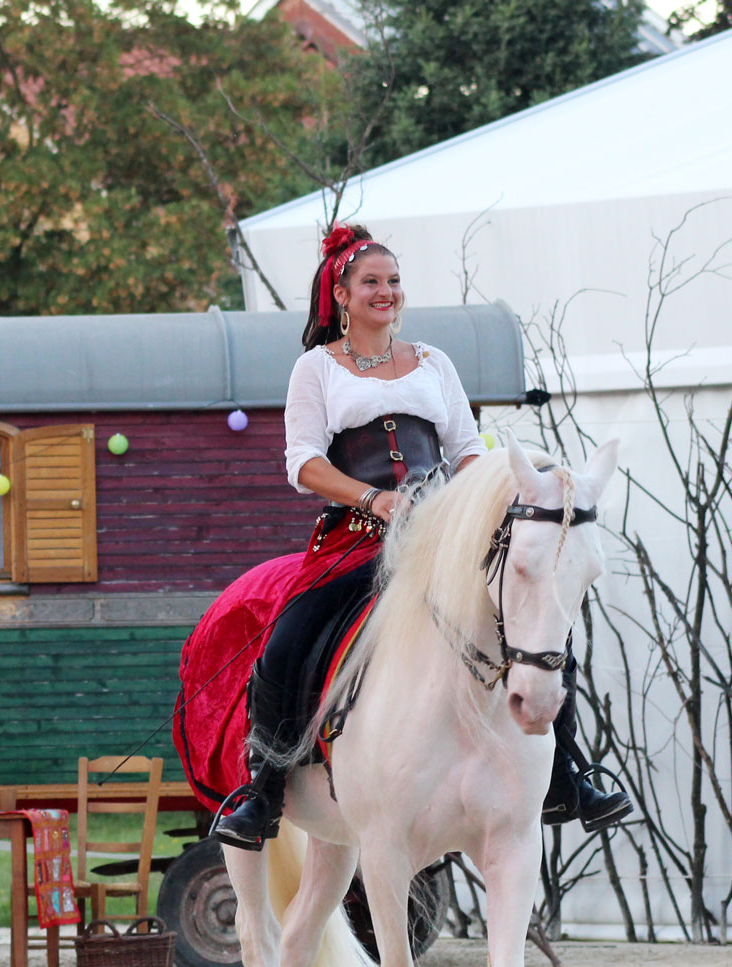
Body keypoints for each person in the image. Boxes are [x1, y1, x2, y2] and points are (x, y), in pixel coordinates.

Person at [209, 223, 632, 851]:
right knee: (294, 630)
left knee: (532, 626)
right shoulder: (316, 369)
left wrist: (488, 502)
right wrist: (375, 498)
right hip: (356, 536)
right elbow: (303, 463)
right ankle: (265, 789)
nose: (387, 292)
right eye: (371, 282)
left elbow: (466, 452)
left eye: (394, 281)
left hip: (442, 537)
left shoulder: (434, 362)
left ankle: (569, 774)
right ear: (342, 294)